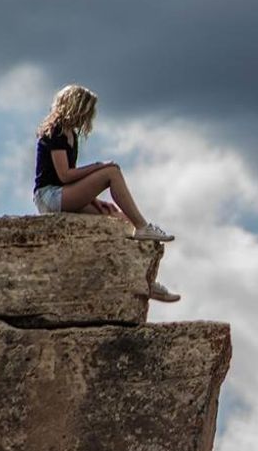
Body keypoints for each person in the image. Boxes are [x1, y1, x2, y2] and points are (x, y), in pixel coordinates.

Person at [32, 84, 180, 302]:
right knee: (112, 172)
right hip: (49, 196)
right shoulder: (55, 130)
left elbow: (69, 180)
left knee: (119, 220)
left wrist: (94, 200)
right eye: (86, 111)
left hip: (62, 194)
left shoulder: (71, 134)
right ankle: (143, 227)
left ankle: (146, 282)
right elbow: (64, 176)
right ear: (76, 107)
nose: (88, 117)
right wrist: (99, 167)